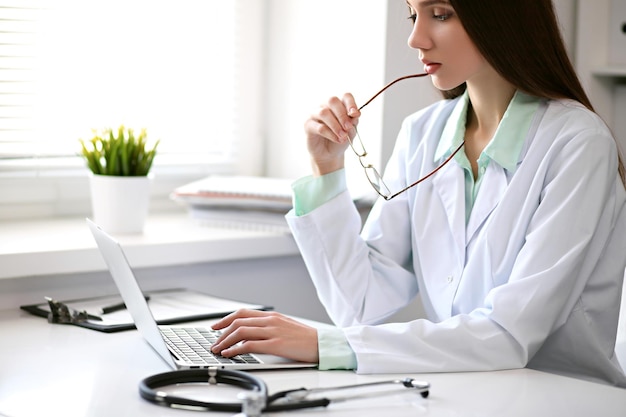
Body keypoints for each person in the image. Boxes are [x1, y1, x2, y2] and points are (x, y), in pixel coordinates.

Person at [211, 0, 626, 387]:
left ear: (501, 18)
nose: (416, 38)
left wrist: (327, 344)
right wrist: (327, 168)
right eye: (413, 15)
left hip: (562, 395)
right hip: (463, 387)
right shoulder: (422, 133)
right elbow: (361, 304)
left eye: (440, 14)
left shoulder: (578, 143)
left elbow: (509, 334)